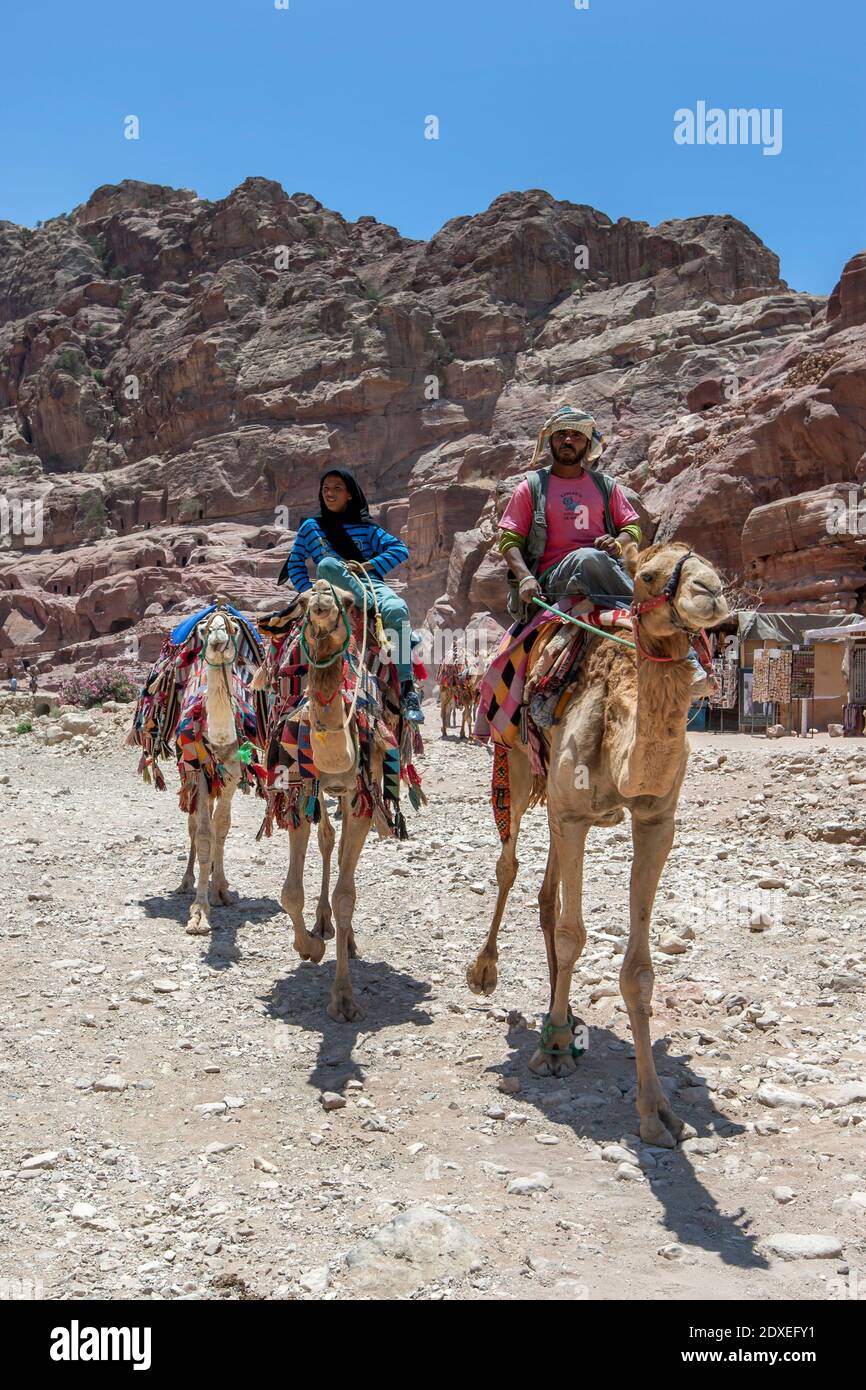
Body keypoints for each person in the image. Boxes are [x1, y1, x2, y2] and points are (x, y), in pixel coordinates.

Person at [498, 404, 709, 689]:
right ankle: (650, 616)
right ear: (551, 441)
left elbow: (632, 528)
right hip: (555, 580)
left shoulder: (605, 486)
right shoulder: (532, 486)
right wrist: (524, 577)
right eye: (561, 435)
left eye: (576, 435)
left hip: (604, 572)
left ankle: (682, 646)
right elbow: (510, 539)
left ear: (587, 443)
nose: (568, 441)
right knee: (588, 557)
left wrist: (619, 542)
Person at [279, 468, 424, 722]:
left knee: (399, 608)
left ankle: (408, 690)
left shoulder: (365, 528)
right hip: (330, 589)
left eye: (337, 488)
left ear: (349, 495)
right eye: (326, 489)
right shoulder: (311, 528)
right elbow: (295, 564)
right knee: (326, 566)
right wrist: (307, 593)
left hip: (369, 584)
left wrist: (368, 565)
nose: (330, 493)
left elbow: (400, 549)